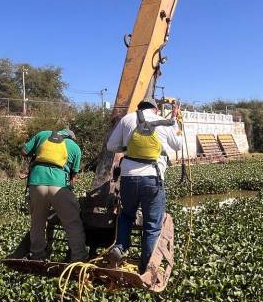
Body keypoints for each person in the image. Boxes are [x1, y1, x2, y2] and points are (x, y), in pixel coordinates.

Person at [105, 99, 183, 271]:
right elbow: (178, 145)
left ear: (138, 108)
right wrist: (175, 121)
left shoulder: (127, 119)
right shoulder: (163, 121)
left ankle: (120, 247)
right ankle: (147, 267)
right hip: (152, 179)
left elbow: (111, 146)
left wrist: (126, 148)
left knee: (126, 215)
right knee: (152, 225)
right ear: (155, 110)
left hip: (129, 178)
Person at [22, 128, 88, 262]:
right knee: (72, 223)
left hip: (37, 183)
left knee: (37, 222)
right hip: (59, 186)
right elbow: (72, 177)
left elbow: (24, 151)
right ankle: (78, 259)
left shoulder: (43, 134)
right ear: (72, 138)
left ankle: (37, 256)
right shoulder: (75, 147)